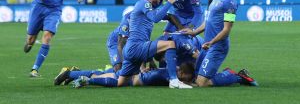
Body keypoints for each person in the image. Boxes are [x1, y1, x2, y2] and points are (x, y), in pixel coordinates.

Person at [182, 0, 258, 87]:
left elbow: (227, 29)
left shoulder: (230, 2)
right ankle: (222, 74)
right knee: (195, 78)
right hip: (207, 46)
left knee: (201, 83)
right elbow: (208, 22)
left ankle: (236, 76)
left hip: (217, 47)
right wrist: (194, 32)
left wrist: (212, 42)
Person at [118, 0, 192, 89]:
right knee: (170, 44)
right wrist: (169, 2)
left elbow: (165, 16)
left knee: (120, 83)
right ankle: (174, 80)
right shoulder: (144, 3)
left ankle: (89, 78)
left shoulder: (147, 7)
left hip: (133, 48)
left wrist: (181, 27)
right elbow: (156, 18)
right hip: (136, 46)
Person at [54, 62, 195, 88]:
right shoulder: (170, 74)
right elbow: (177, 84)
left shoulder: (169, 69)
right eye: (187, 77)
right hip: (134, 77)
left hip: (135, 72)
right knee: (115, 82)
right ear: (181, 73)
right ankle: (85, 80)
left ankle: (71, 73)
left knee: (104, 73)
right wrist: (192, 84)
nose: (186, 80)